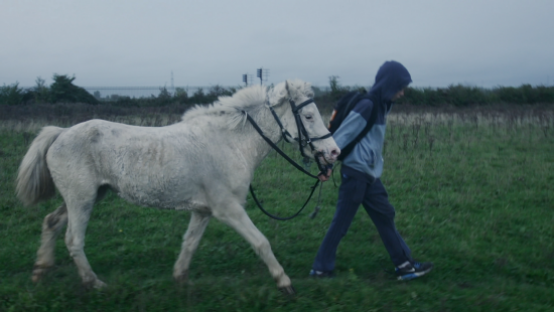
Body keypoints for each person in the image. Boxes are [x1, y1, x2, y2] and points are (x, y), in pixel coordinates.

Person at [311, 60, 433, 281]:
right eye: (400, 87)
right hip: (356, 173)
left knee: (385, 216)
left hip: (370, 174)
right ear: (389, 85)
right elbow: (341, 137)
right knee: (341, 223)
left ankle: (404, 265)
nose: (403, 93)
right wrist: (326, 165)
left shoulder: (382, 105)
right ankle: (320, 268)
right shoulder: (367, 105)